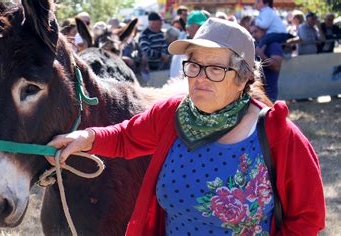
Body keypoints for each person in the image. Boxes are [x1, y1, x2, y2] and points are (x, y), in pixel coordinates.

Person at [46, 18, 325, 235]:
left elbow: (307, 217)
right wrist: (86, 137)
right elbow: (126, 137)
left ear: (243, 78)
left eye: (215, 69)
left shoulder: (278, 135)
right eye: (193, 65)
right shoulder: (172, 115)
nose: (199, 78)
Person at [169, 11, 208, 86]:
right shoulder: (183, 43)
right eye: (202, 26)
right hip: (179, 88)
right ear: (194, 26)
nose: (205, 30)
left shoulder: (183, 38)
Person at [252, 25, 283, 102]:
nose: (254, 34)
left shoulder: (274, 45)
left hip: (269, 94)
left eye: (256, 31)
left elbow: (276, 66)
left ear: (264, 31)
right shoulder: (255, 44)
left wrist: (260, 55)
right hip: (255, 93)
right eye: (252, 32)